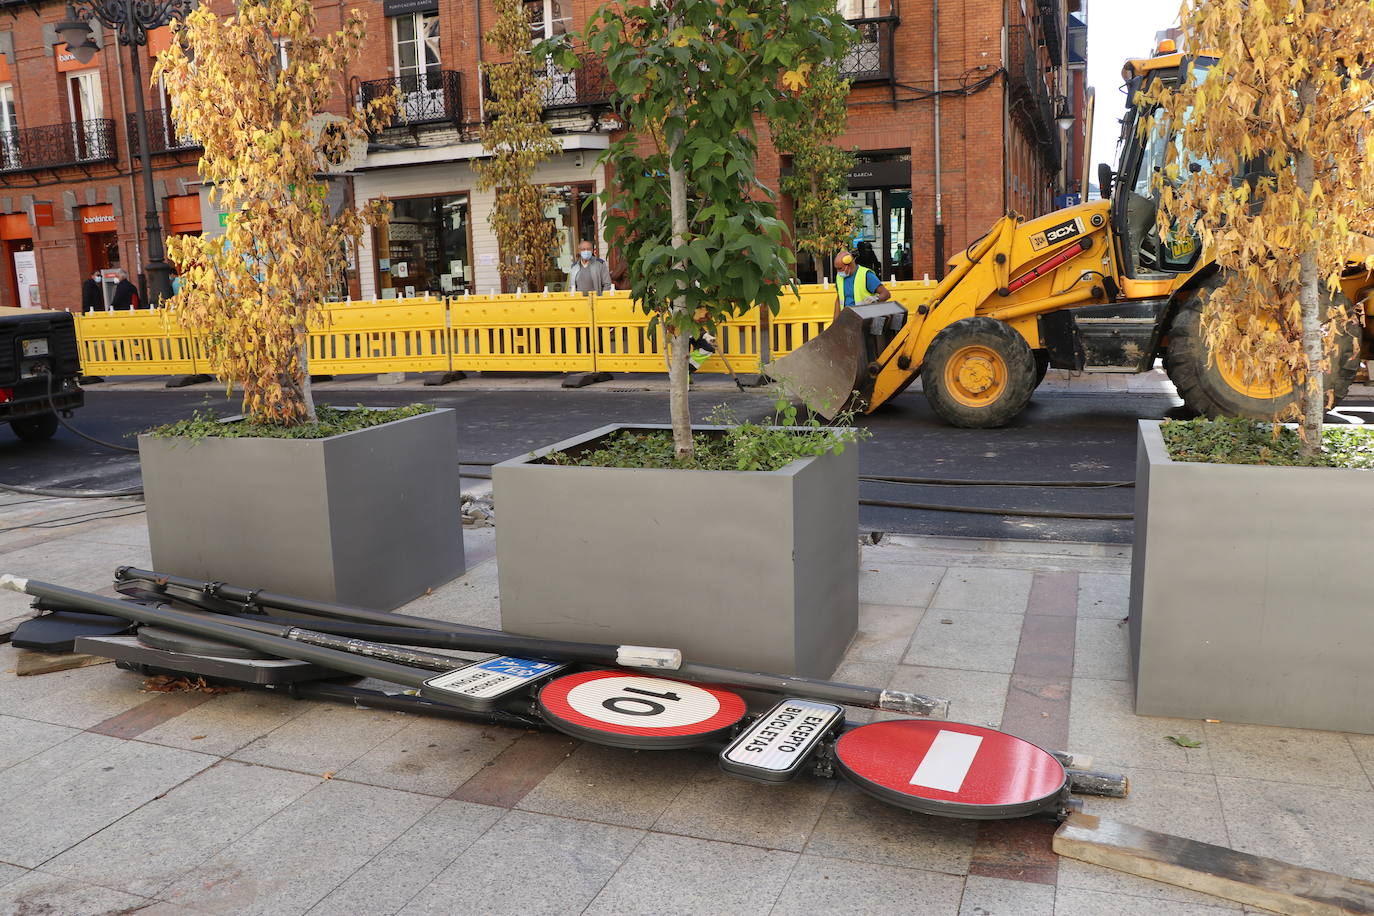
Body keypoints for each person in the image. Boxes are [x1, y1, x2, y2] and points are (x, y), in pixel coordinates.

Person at [833, 250, 891, 316]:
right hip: (848, 319)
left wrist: (876, 299)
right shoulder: (839, 277)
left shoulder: (866, 275)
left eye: (840, 268)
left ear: (849, 265)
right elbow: (839, 298)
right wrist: (835, 323)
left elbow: (886, 294)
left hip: (866, 319)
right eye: (836, 269)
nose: (838, 271)